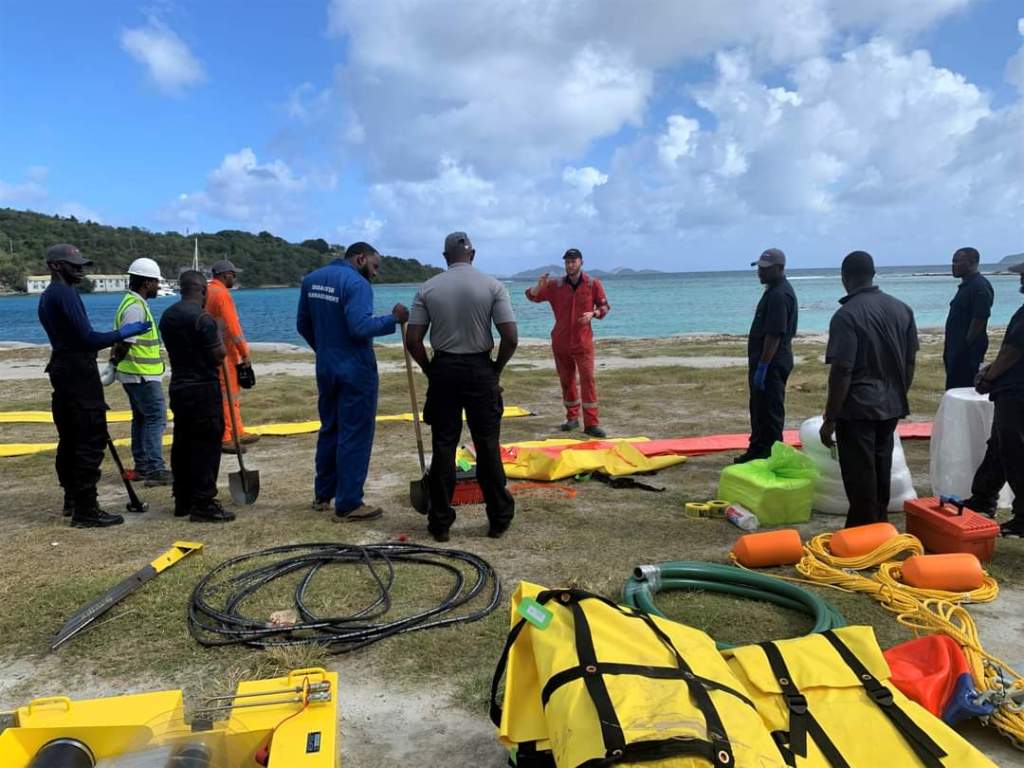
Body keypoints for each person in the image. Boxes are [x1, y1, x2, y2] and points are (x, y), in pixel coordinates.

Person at [406, 232, 518, 541]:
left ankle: (440, 522)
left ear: (444, 257)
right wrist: (495, 369)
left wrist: (431, 370)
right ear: (473, 254)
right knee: (487, 445)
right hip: (480, 369)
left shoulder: (428, 288)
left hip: (444, 368)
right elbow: (511, 337)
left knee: (444, 446)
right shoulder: (493, 286)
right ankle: (498, 518)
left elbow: (413, 340)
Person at [37, 244, 151, 527]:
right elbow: (87, 339)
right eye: (72, 265)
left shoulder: (50, 295)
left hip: (65, 369)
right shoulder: (63, 294)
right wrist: (121, 334)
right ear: (55, 266)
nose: (79, 270)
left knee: (71, 439)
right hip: (77, 372)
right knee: (89, 439)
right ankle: (86, 509)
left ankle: (73, 500)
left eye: (81, 265)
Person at [296, 242, 408, 520]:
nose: (376, 273)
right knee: (355, 434)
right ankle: (348, 503)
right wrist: (393, 319)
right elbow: (360, 327)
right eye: (375, 265)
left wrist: (324, 349)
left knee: (330, 428)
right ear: (360, 258)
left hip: (326, 366)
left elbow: (302, 324)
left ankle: (323, 494)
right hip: (355, 369)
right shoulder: (357, 284)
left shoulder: (312, 280)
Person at [819, 251, 919, 528]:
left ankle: (862, 532)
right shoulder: (902, 309)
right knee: (880, 467)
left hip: (858, 408)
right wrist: (900, 393)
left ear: (845, 278)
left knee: (860, 474)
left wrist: (830, 418)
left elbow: (842, 371)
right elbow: (910, 360)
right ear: (872, 274)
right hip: (891, 404)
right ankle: (879, 524)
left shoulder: (846, 315)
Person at [159, 270, 235, 522]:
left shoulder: (168, 316)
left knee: (182, 443)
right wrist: (220, 332)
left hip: (179, 386)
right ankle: (203, 501)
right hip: (203, 387)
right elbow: (217, 356)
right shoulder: (203, 319)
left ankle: (182, 498)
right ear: (202, 290)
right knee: (207, 446)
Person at [965, 261, 1024, 535]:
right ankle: (983, 498)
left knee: (1013, 449)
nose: (1020, 281)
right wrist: (990, 371)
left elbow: (1013, 352)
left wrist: (989, 378)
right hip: (1010, 388)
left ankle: (1023, 516)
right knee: (998, 445)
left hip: (1016, 393)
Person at [525, 248, 610, 437]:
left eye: (574, 261)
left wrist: (593, 314)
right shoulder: (556, 285)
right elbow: (531, 296)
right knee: (566, 380)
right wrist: (539, 285)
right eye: (567, 262)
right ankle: (572, 419)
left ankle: (591, 424)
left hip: (583, 342)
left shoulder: (592, 284)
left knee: (588, 380)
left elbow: (604, 307)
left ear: (581, 262)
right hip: (561, 342)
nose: (570, 265)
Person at [112, 257, 172, 486]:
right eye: (156, 282)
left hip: (136, 373)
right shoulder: (135, 308)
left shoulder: (132, 303)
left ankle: (144, 466)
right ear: (146, 283)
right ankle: (154, 468)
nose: (158, 286)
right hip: (141, 374)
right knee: (156, 418)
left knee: (141, 419)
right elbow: (126, 342)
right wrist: (114, 362)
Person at [736, 248, 798, 463]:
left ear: (779, 269)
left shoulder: (780, 295)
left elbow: (774, 334)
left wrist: (763, 366)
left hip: (771, 362)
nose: (760, 272)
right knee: (759, 407)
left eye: (765, 269)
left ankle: (770, 454)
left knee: (770, 410)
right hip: (764, 361)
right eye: (759, 268)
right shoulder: (772, 291)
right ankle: (757, 448)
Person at [206, 259, 258, 452]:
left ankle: (238, 430)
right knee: (228, 394)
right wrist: (244, 353)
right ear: (225, 274)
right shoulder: (222, 294)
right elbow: (233, 327)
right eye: (233, 275)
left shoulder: (207, 291)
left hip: (213, 350)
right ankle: (227, 436)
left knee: (230, 393)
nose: (234, 279)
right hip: (224, 353)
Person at [943, 247, 994, 390]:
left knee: (963, 391)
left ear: (972, 263)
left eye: (957, 261)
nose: (953, 265)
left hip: (966, 354)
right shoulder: (967, 286)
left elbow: (980, 319)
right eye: (953, 261)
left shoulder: (979, 286)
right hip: (956, 350)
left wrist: (963, 348)